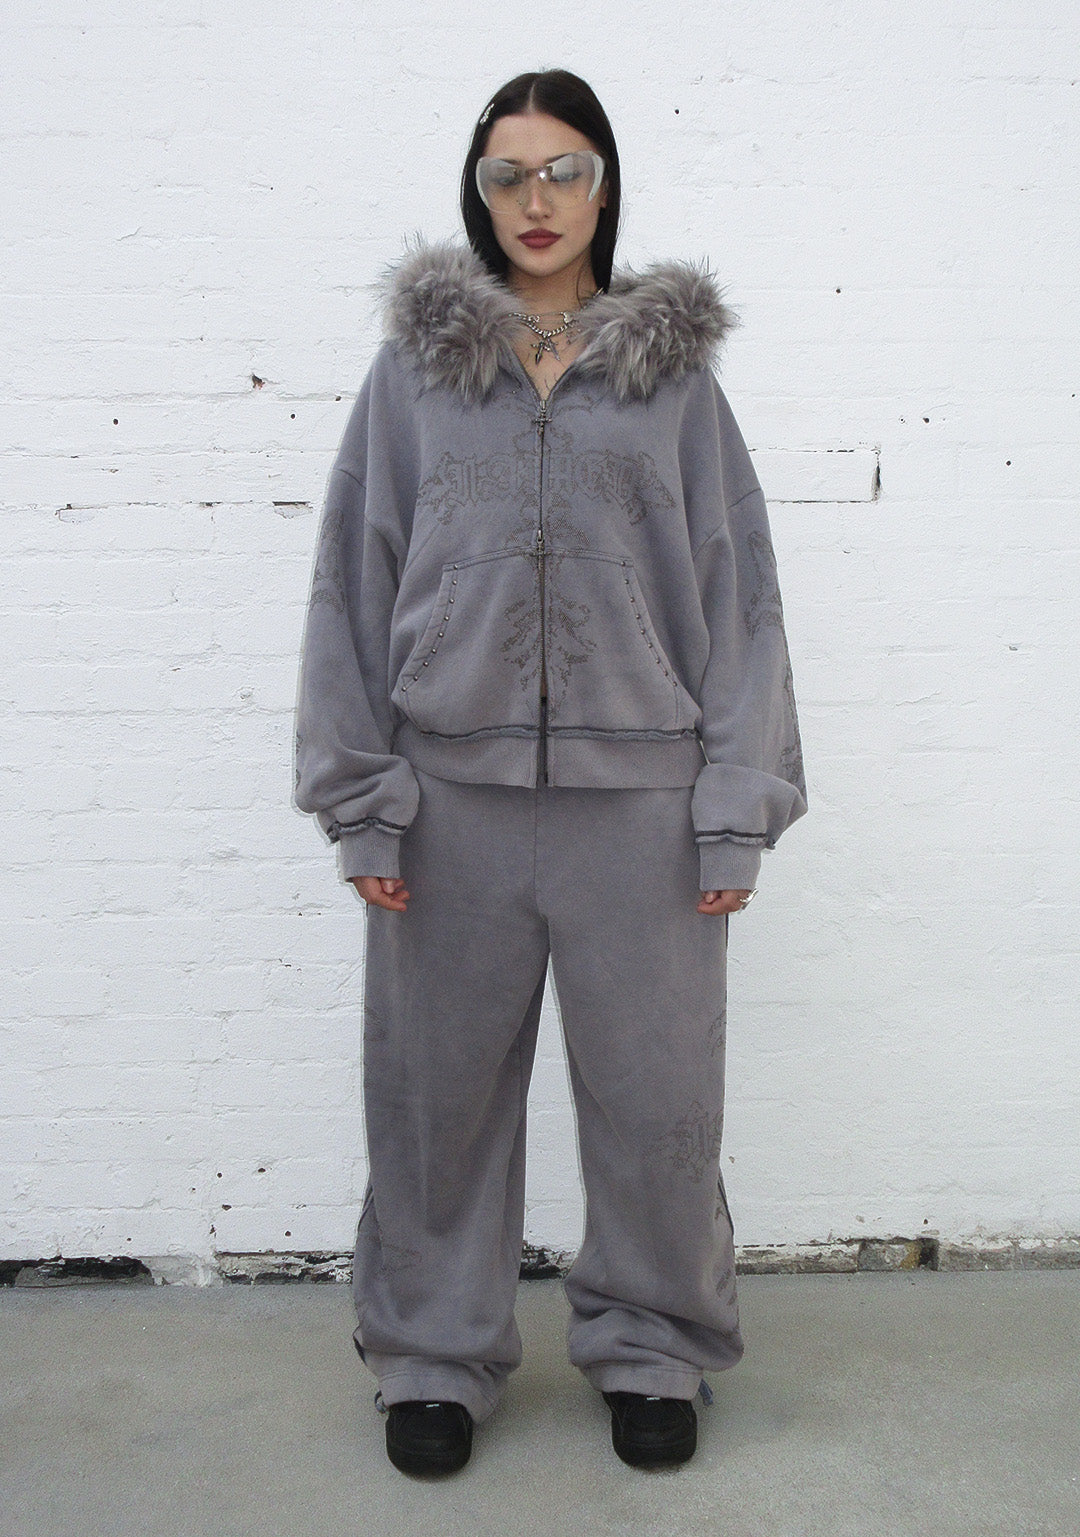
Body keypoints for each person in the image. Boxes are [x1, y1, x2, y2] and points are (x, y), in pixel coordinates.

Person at [292, 68, 807, 1477]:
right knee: (435, 1100)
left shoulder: (672, 380)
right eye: (508, 172)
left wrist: (732, 811)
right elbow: (351, 585)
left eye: (564, 168)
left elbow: (741, 596)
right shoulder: (413, 376)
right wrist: (363, 802)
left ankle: (653, 1346)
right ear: (478, 190)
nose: (537, 199)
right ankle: (431, 1356)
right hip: (445, 807)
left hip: (641, 812)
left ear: (604, 184)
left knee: (657, 1103)